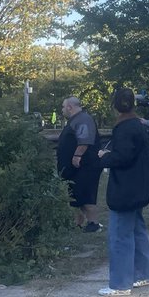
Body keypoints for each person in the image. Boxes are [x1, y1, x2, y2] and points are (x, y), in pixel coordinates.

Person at [95, 88, 149, 296]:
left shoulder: (124, 127)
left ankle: (120, 283)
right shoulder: (137, 124)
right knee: (136, 230)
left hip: (126, 188)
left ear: (115, 106)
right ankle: (142, 273)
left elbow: (122, 157)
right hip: (139, 185)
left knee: (119, 234)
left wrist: (104, 157)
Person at [57, 96, 103, 233]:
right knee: (76, 195)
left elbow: (85, 140)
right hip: (75, 169)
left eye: (63, 107)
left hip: (85, 166)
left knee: (86, 194)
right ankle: (78, 223)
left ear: (70, 107)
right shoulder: (75, 120)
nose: (62, 110)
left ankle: (93, 223)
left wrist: (77, 156)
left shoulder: (83, 119)